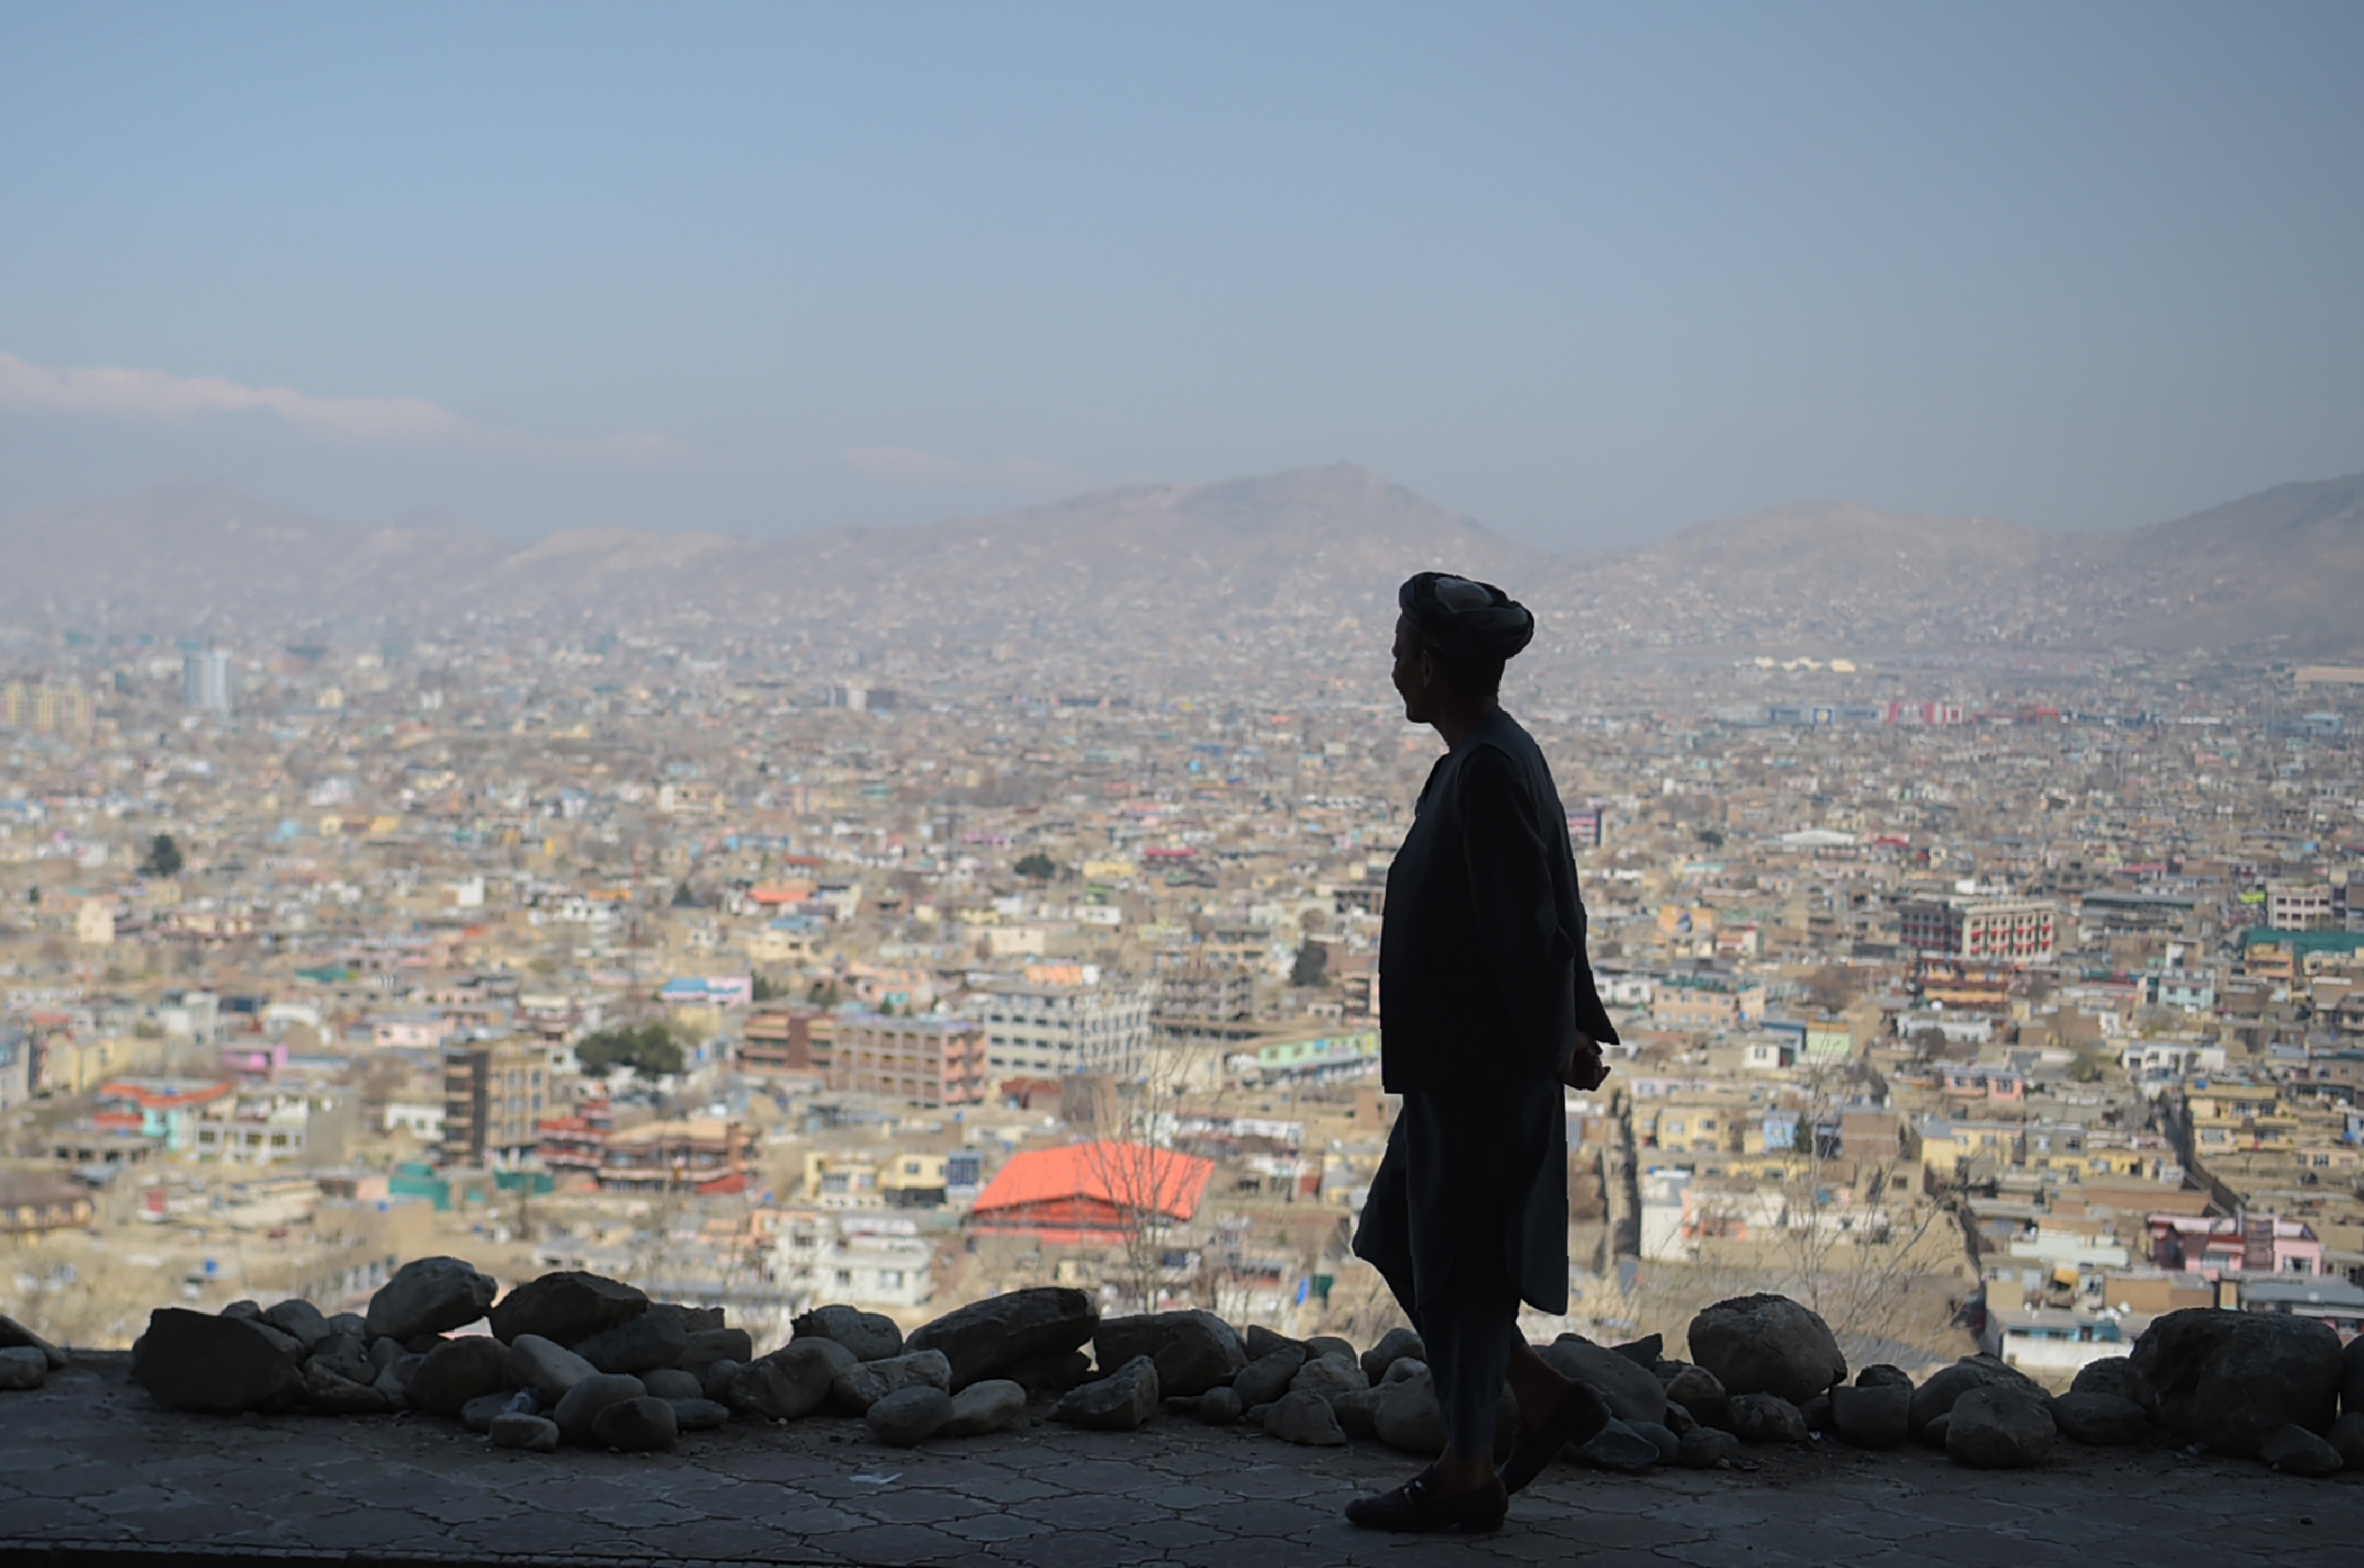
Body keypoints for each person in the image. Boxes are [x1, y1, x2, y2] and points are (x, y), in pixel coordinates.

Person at [1344, 570, 1622, 1534]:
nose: (1390, 665)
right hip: (1454, 1072)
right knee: (1399, 1239)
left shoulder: (1491, 767)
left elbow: (1531, 927)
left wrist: (1559, 1046)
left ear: (1431, 666)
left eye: (1399, 650)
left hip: (1482, 1077)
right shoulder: (1482, 756)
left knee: (1457, 1264)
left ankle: (1466, 1473)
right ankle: (1539, 1397)